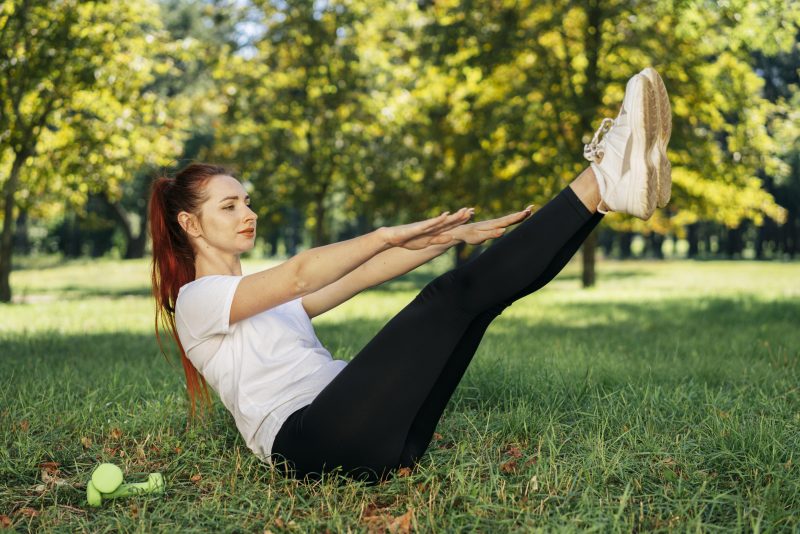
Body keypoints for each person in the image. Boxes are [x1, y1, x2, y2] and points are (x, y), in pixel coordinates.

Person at [149, 67, 672, 484]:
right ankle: (601, 175)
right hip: (310, 443)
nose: (248, 213)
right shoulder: (198, 302)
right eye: (229, 205)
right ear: (190, 224)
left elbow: (360, 276)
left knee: (475, 304)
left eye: (247, 201)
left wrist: (445, 239)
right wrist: (387, 232)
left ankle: (603, 196)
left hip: (385, 439)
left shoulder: (255, 293)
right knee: (448, 298)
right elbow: (302, 276)